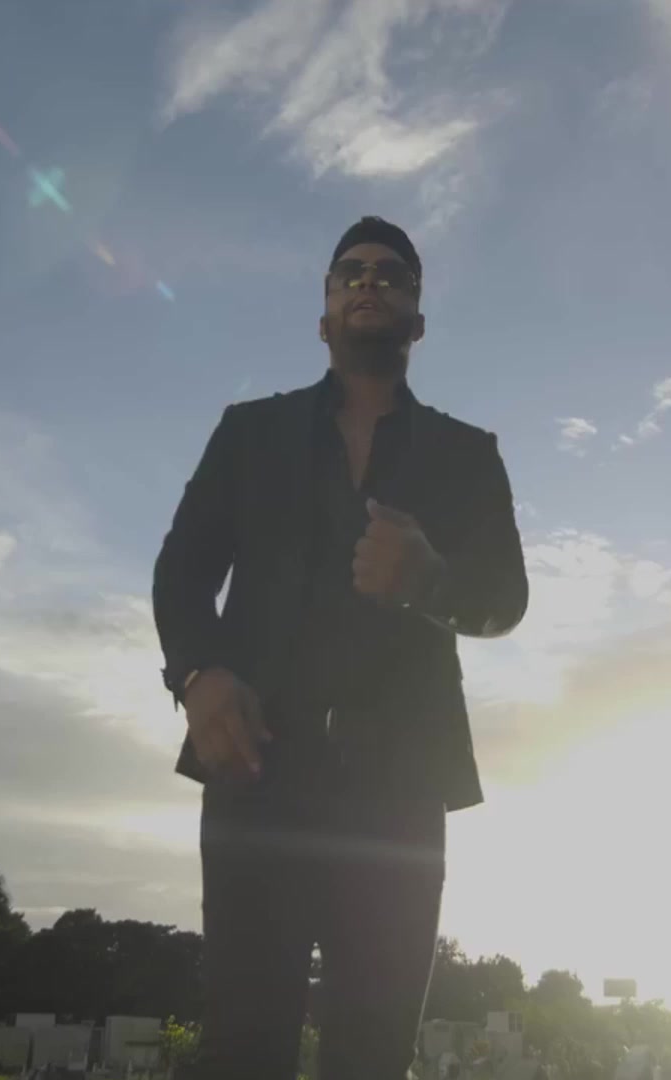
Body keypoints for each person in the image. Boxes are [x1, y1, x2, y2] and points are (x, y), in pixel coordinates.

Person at [154, 215, 529, 1080]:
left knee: (373, 1052)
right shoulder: (248, 433)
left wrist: (430, 580)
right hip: (257, 771)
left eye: (391, 275)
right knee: (244, 1049)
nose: (369, 282)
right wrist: (199, 675)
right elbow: (181, 572)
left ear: (417, 321)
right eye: (349, 273)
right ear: (323, 317)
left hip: (400, 791)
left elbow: (505, 601)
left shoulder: (468, 455)